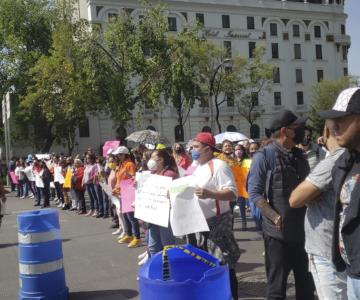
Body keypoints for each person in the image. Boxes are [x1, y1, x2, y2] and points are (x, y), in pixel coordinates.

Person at [247, 110, 315, 300]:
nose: (303, 131)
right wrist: (274, 216)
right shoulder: (264, 156)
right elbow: (254, 193)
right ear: (286, 131)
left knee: (306, 286)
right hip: (278, 236)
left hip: (303, 232)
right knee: (277, 288)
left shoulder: (300, 155)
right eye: (298, 128)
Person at [289, 120, 347, 299]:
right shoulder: (350, 157)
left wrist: (310, 193)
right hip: (341, 247)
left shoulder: (334, 161)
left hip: (327, 249)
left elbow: (295, 199)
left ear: (326, 133)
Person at [318, 87, 360, 300]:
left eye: (341, 120)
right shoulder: (345, 162)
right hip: (352, 271)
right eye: (332, 121)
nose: (333, 127)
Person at [190, 132, 240, 300]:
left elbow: (233, 193)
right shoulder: (196, 168)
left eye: (196, 147)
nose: (193, 150)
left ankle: (231, 296)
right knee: (208, 267)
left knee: (224, 266)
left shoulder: (218, 166)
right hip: (200, 225)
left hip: (218, 225)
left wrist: (210, 193)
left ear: (207, 149)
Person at [146, 149, 178, 256]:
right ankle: (156, 268)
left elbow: (177, 191)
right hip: (153, 213)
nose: (151, 160)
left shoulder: (169, 174)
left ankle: (170, 268)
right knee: (152, 246)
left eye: (154, 157)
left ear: (161, 160)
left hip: (165, 214)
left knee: (167, 244)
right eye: (151, 157)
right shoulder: (151, 173)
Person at [113, 146, 141, 248]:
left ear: (125, 154)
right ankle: (129, 235)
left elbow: (133, 179)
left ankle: (137, 238)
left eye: (120, 154)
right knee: (125, 215)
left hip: (128, 193)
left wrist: (130, 176)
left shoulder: (129, 164)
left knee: (131, 216)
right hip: (121, 193)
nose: (118, 156)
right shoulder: (121, 165)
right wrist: (116, 189)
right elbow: (118, 180)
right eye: (117, 155)